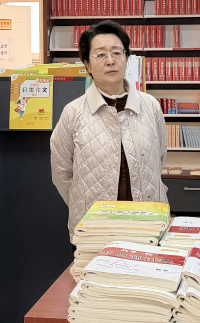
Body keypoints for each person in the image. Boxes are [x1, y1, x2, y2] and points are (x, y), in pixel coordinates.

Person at [50, 20, 169, 236]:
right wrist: (84, 203)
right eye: (100, 55)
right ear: (87, 64)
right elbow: (62, 174)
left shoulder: (150, 106)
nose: (110, 61)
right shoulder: (73, 112)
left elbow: (159, 156)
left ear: (126, 58)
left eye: (116, 53)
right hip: (94, 228)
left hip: (147, 223)